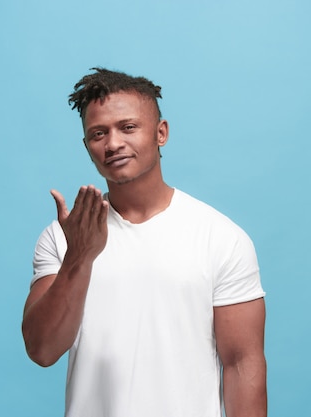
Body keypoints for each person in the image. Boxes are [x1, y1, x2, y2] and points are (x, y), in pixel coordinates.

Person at [22, 67, 267, 417]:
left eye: (128, 127)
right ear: (87, 146)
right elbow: (42, 350)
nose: (113, 144)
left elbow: (242, 364)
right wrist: (78, 257)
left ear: (161, 133)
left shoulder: (221, 238)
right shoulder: (63, 236)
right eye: (98, 133)